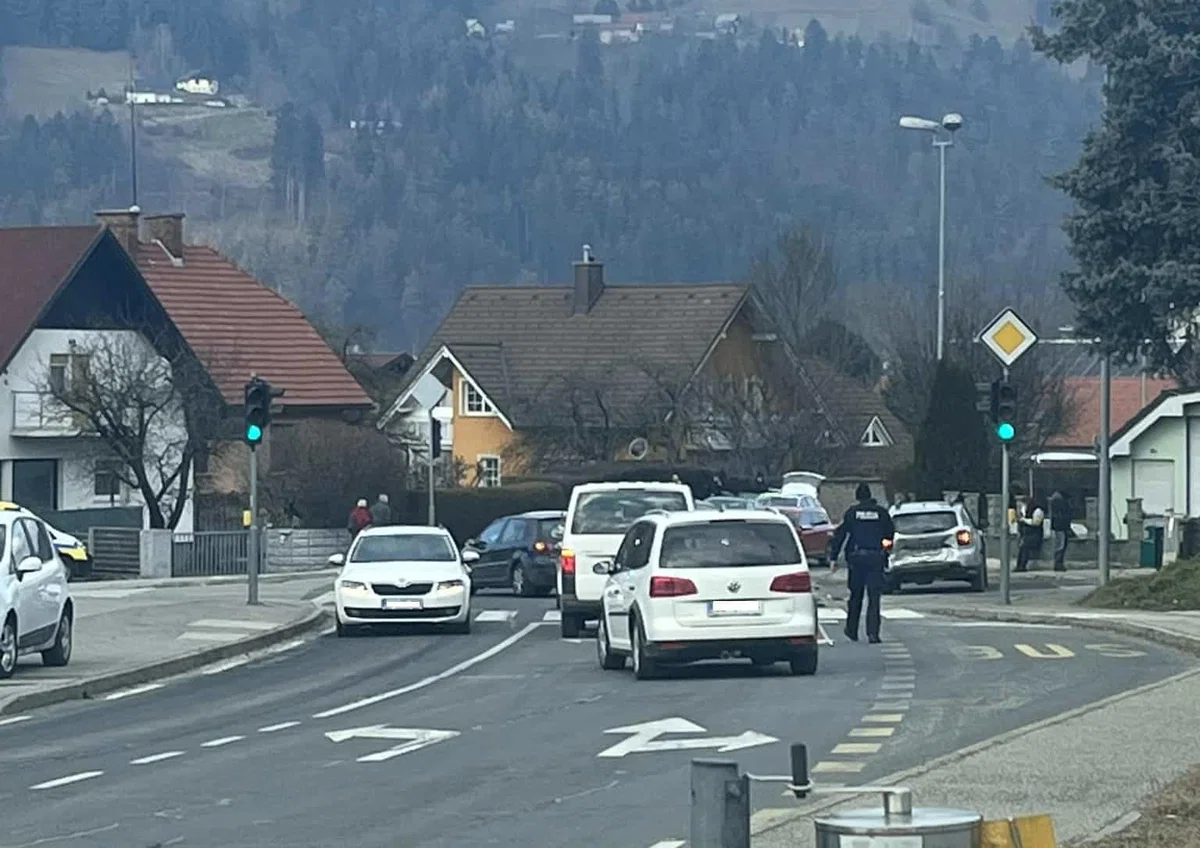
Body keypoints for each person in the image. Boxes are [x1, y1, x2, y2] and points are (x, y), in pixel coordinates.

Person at [830, 483, 895, 644]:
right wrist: (885, 551)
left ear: (857, 497)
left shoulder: (852, 513)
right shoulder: (881, 513)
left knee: (855, 596)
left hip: (857, 559)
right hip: (875, 559)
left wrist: (833, 557)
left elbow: (841, 535)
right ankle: (873, 633)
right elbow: (889, 536)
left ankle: (851, 630)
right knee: (874, 598)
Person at [1013, 494, 1045, 572]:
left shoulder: (1037, 510)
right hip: (1027, 533)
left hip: (1034, 533)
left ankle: (1021, 566)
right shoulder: (1025, 509)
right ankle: (1020, 565)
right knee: (1023, 548)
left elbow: (1036, 522)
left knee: (1024, 548)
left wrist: (1024, 520)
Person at [1048, 489, 1071, 572]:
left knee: (1060, 545)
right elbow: (1063, 515)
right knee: (1061, 545)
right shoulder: (1060, 501)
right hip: (1061, 527)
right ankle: (1058, 564)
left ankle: (1058, 563)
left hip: (1058, 526)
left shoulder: (1055, 500)